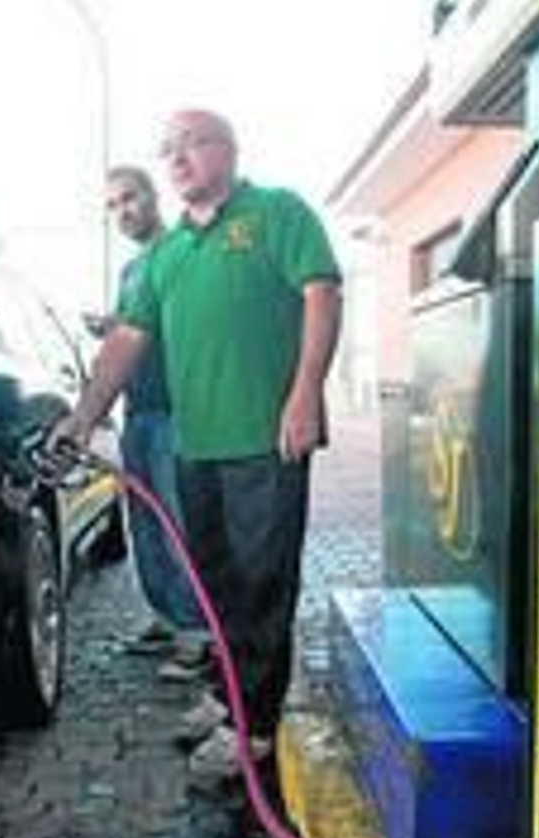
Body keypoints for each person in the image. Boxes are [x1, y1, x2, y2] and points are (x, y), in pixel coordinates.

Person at [55, 109, 343, 786]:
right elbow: (127, 340)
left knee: (263, 583)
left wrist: (306, 391)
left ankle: (257, 730)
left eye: (190, 143)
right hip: (195, 445)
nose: (176, 157)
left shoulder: (276, 212)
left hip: (267, 440)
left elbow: (321, 294)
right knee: (215, 584)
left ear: (228, 148)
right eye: (166, 149)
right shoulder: (166, 254)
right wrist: (82, 416)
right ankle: (229, 693)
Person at [92, 165, 208, 666]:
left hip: (175, 410)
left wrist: (125, 328)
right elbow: (133, 333)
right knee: (144, 524)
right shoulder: (130, 271)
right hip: (136, 410)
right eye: (113, 205)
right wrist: (113, 328)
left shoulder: (181, 251)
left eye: (130, 198)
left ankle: (199, 635)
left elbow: (189, 326)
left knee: (176, 524)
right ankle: (166, 617)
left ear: (154, 196)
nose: (123, 211)